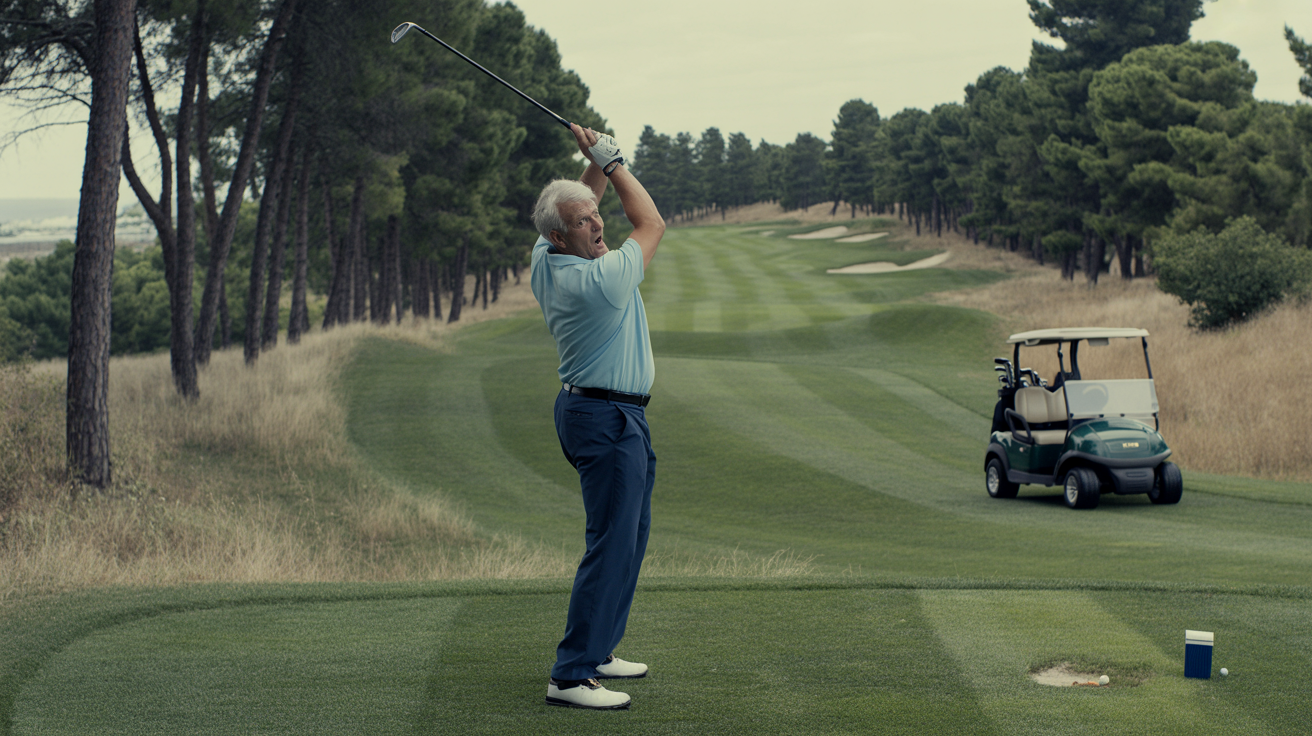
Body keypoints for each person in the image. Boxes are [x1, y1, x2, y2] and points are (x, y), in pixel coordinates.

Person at [529, 123, 666, 710]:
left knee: (627, 536)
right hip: (607, 418)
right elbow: (652, 223)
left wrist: (588, 166)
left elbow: (581, 206)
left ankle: (601, 646)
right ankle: (571, 674)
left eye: (595, 215)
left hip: (601, 412)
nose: (598, 224)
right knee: (611, 543)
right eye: (585, 222)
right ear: (562, 237)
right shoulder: (600, 282)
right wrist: (612, 162)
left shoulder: (547, 256)